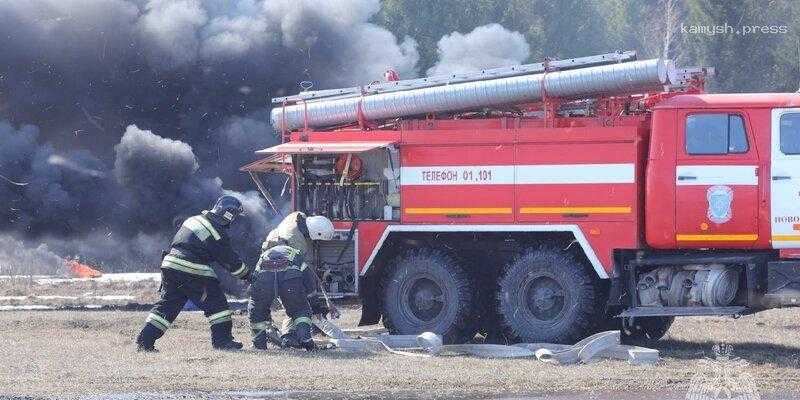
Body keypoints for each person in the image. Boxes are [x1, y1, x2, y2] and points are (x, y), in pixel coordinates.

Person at [135, 195, 253, 352]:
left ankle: (144, 341)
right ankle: (222, 341)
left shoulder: (193, 220)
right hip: (191, 269)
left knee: (167, 306)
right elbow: (230, 261)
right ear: (229, 215)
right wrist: (248, 276)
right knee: (217, 304)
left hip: (170, 265)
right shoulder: (216, 233)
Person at [249, 213, 335, 350]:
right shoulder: (298, 245)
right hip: (286, 273)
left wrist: (254, 291)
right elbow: (307, 278)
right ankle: (294, 337)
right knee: (297, 306)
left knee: (258, 308)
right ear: (315, 233)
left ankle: (259, 343)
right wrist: (315, 306)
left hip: (265, 265)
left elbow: (255, 279)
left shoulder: (297, 216)